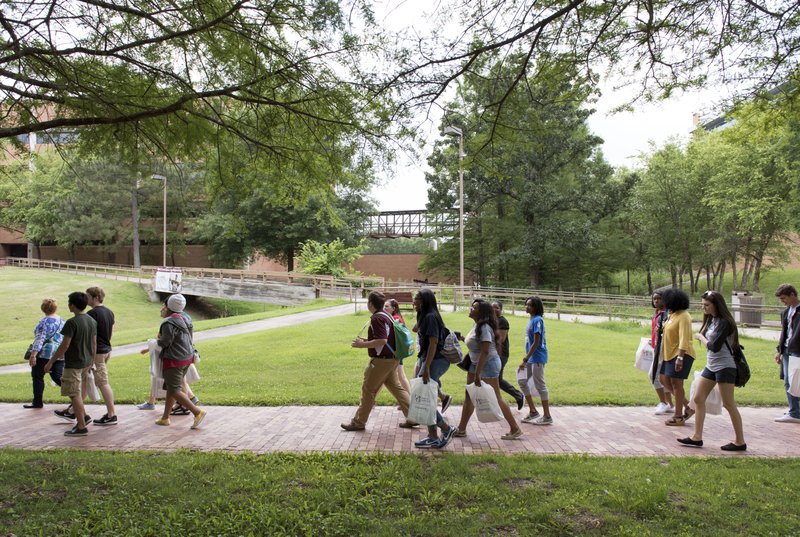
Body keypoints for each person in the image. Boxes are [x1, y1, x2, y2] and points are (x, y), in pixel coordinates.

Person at [678, 290, 746, 450]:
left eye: (707, 305)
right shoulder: (713, 320)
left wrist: (701, 337)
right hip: (711, 366)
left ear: (717, 305)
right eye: (703, 305)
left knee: (729, 404)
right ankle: (697, 437)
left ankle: (740, 441)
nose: (704, 308)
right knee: (698, 398)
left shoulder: (725, 322)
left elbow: (714, 347)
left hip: (725, 367)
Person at [341, 291, 416, 431]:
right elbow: (384, 339)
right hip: (393, 359)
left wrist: (362, 344)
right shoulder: (387, 315)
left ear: (370, 303)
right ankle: (413, 417)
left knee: (368, 390)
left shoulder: (377, 318)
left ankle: (358, 422)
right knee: (397, 388)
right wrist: (367, 341)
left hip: (382, 361)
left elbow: (382, 340)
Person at [455, 299, 523, 440]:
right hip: (476, 363)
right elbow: (476, 345)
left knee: (496, 397)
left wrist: (478, 374)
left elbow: (485, 351)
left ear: (481, 312)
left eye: (474, 308)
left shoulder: (484, 327)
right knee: (469, 395)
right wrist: (461, 338)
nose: (471, 309)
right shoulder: (477, 325)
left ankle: (515, 428)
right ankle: (461, 429)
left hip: (488, 364)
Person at [44, 292, 96, 437]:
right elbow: (93, 342)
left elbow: (64, 345)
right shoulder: (91, 320)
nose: (68, 305)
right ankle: (84, 416)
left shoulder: (72, 323)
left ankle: (81, 427)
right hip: (86, 362)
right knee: (76, 392)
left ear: (72, 305)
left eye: (69, 302)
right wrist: (91, 360)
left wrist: (51, 362)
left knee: (74, 394)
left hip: (73, 363)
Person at [412, 289, 458, 449]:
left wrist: (426, 368)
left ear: (425, 301)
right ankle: (432, 436)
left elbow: (433, 343)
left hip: (436, 360)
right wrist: (419, 313)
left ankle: (447, 429)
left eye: (416, 299)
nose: (413, 301)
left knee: (424, 397)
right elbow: (415, 329)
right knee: (425, 397)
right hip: (429, 359)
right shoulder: (425, 315)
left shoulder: (431, 317)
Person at [153, 294, 207, 429]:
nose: (163, 308)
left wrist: (154, 342)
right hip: (187, 357)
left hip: (173, 359)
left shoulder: (168, 322)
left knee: (175, 389)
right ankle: (165, 418)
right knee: (171, 388)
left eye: (164, 306)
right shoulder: (186, 318)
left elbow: (165, 342)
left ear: (169, 306)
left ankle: (197, 412)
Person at [660, 288, 697, 426]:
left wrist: (680, 358)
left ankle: (678, 416)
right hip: (669, 354)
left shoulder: (684, 316)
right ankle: (688, 406)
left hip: (681, 354)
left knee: (677, 384)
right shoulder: (672, 314)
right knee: (663, 379)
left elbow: (684, 338)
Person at [84, 287, 117, 425]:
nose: (86, 299)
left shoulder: (92, 314)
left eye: (88, 296)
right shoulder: (109, 312)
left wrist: (90, 357)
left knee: (102, 383)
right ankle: (74, 410)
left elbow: (91, 337)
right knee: (86, 379)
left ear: (96, 297)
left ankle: (111, 414)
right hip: (106, 350)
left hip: (97, 352)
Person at [24, 298, 65, 409]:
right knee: (58, 377)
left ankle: (37, 402)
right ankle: (76, 394)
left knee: (37, 376)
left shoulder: (43, 322)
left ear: (43, 308)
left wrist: (33, 355)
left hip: (44, 355)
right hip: (60, 354)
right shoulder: (62, 320)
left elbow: (39, 339)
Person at [518, 296, 553, 425]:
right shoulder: (531, 319)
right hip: (531, 357)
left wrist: (525, 358)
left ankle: (547, 416)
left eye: (530, 305)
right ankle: (533, 411)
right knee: (522, 380)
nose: (527, 307)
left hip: (537, 357)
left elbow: (537, 342)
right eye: (526, 304)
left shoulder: (538, 320)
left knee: (540, 385)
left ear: (536, 307)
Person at [774, 283, 800, 423]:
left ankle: (795, 412)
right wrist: (779, 350)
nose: (783, 301)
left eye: (784, 298)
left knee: (796, 381)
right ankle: (794, 411)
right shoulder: (785, 312)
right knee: (788, 381)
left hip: (797, 351)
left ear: (792, 294)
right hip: (787, 350)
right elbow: (784, 332)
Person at [492, 300, 525, 411]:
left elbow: (501, 339)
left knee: (498, 380)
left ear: (501, 309)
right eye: (492, 307)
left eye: (496, 307)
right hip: (494, 354)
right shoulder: (492, 320)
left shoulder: (503, 321)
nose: (494, 309)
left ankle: (518, 395)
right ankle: (498, 403)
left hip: (501, 354)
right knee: (495, 379)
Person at [650, 291, 674, 415]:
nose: (657, 301)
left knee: (654, 375)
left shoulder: (666, 314)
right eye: (654, 299)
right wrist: (652, 341)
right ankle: (669, 404)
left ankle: (664, 402)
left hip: (663, 350)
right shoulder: (657, 313)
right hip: (656, 348)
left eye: (659, 298)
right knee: (663, 377)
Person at [384, 298, 412, 396]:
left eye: (387, 306)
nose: (384, 308)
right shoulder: (395, 317)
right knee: (396, 376)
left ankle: (409, 399)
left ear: (393, 308)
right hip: (395, 350)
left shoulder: (395, 318)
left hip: (395, 351)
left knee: (399, 376)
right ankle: (407, 398)